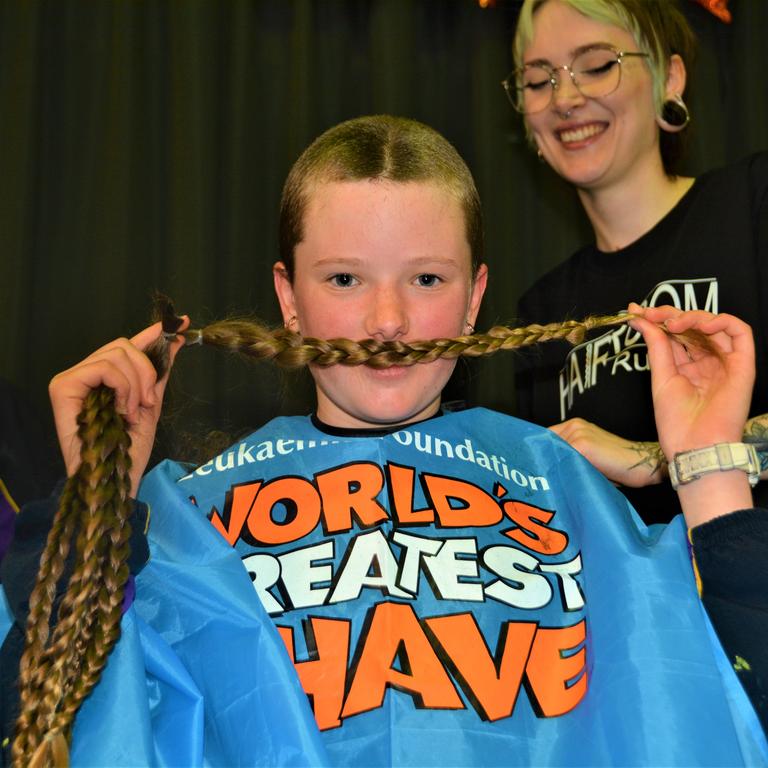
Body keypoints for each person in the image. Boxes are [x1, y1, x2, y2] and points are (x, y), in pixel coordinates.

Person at [2, 115, 767, 767]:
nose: (388, 320)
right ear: (287, 299)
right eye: (343, 280)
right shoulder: (190, 513)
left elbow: (722, 702)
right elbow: (47, 724)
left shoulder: (561, 485)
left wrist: (709, 469)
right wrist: (91, 511)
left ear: (474, 300)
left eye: (427, 280)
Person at [507, 0, 768, 525]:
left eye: (598, 66)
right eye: (538, 81)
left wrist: (652, 459)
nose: (565, 98)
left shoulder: (753, 202)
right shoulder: (541, 308)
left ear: (669, 78)